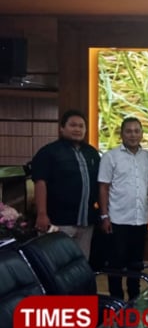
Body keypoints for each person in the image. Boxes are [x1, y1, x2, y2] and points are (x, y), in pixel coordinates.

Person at [32, 109, 100, 259]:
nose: (77, 129)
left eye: (81, 126)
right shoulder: (49, 152)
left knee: (81, 264)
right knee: (56, 265)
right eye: (73, 125)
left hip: (86, 222)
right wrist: (42, 214)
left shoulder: (91, 153)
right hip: (58, 221)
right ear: (62, 128)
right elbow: (40, 183)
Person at [98, 117, 148, 300]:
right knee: (116, 263)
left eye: (137, 131)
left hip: (140, 219)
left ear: (142, 134)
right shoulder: (110, 156)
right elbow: (103, 187)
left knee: (135, 264)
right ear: (121, 134)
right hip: (117, 219)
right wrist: (104, 216)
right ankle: (116, 299)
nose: (133, 135)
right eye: (129, 131)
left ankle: (134, 298)